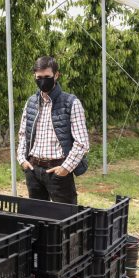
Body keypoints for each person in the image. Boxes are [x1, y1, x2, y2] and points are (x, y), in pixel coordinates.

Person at [17, 56, 90, 204]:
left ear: (56, 75)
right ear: (34, 76)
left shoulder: (71, 102)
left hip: (57, 170)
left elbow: (82, 142)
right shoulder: (31, 102)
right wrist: (22, 160)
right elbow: (23, 134)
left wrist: (65, 168)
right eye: (39, 77)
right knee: (37, 217)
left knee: (65, 218)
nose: (43, 80)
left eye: (47, 77)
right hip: (33, 169)